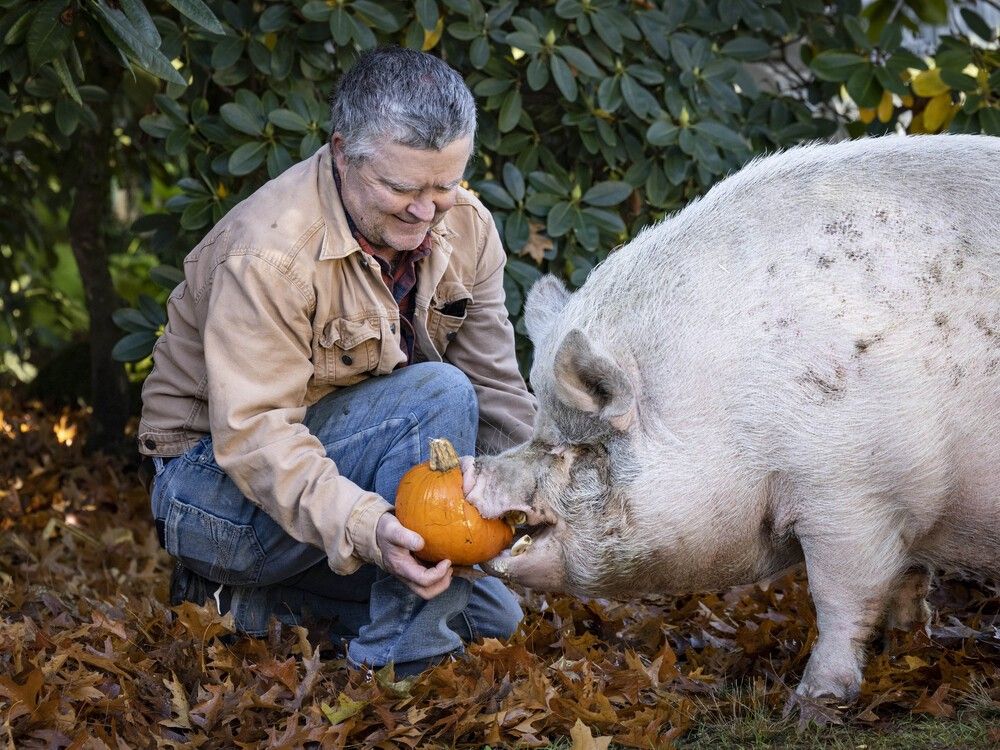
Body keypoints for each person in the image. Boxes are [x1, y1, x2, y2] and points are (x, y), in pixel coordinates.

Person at [137, 46, 536, 677]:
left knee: (495, 619)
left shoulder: (470, 228)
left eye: (445, 184)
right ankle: (403, 669)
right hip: (213, 492)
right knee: (437, 393)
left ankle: (250, 605)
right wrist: (370, 526)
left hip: (336, 479)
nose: (426, 210)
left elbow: (499, 391)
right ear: (342, 152)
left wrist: (535, 492)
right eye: (401, 188)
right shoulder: (269, 254)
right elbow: (255, 438)